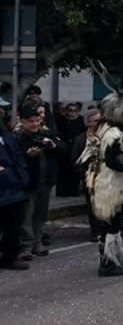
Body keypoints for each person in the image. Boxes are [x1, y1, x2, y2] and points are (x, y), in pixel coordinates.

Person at [78, 89, 123, 277]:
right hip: (108, 183)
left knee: (114, 222)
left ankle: (115, 257)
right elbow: (112, 161)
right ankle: (107, 263)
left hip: (106, 181)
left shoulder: (105, 129)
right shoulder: (112, 133)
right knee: (110, 224)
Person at [16, 105, 60, 259]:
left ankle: (37, 244)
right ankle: (25, 248)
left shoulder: (46, 134)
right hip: (28, 185)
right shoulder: (17, 138)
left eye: (37, 121)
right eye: (31, 121)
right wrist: (27, 155)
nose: (35, 124)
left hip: (46, 183)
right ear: (22, 121)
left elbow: (64, 151)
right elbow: (13, 161)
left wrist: (53, 146)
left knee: (41, 216)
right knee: (26, 218)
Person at [0, 118, 32, 270]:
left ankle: (10, 258)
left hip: (15, 189)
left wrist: (23, 179)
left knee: (13, 227)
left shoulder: (7, 135)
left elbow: (18, 158)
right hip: (3, 189)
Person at [72, 109, 102, 239]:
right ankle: (96, 232)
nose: (99, 123)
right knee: (93, 206)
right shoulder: (81, 139)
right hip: (90, 177)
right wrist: (85, 174)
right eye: (96, 121)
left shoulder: (108, 135)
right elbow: (75, 159)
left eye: (100, 120)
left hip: (108, 177)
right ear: (88, 123)